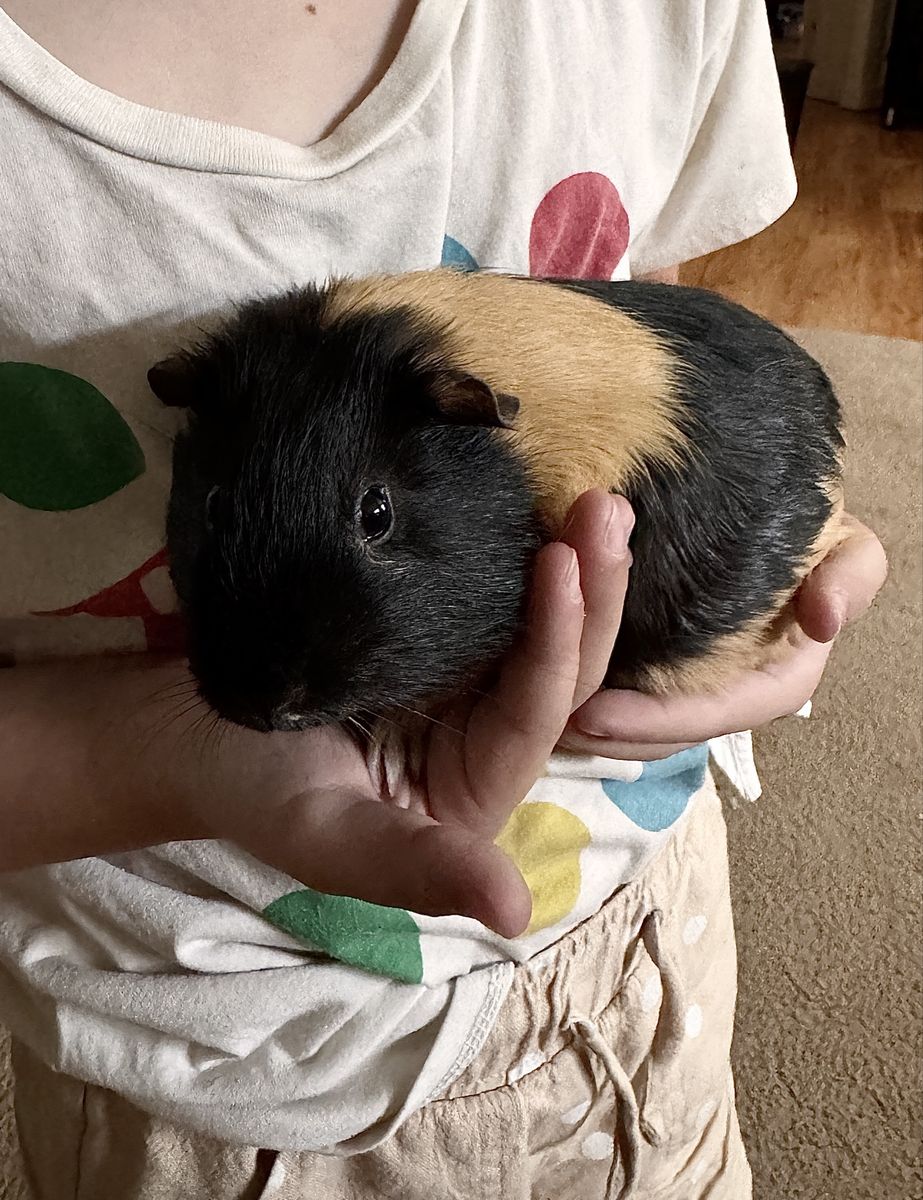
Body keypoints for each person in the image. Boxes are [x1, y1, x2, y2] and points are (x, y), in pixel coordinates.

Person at [0, 2, 887, 1197]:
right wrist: (153, 760)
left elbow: (664, 310)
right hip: (216, 1061)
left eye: (370, 519)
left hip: (636, 933)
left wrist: (775, 600)